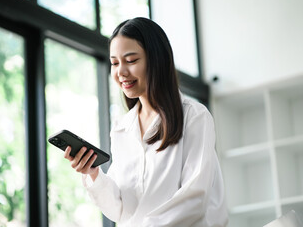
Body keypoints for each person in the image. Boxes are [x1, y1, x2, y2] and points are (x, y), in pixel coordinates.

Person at [64, 17, 228, 227]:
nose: (121, 72)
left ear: (156, 60)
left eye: (131, 61)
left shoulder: (194, 117)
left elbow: (194, 198)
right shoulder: (121, 129)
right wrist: (93, 173)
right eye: (115, 63)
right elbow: (121, 209)